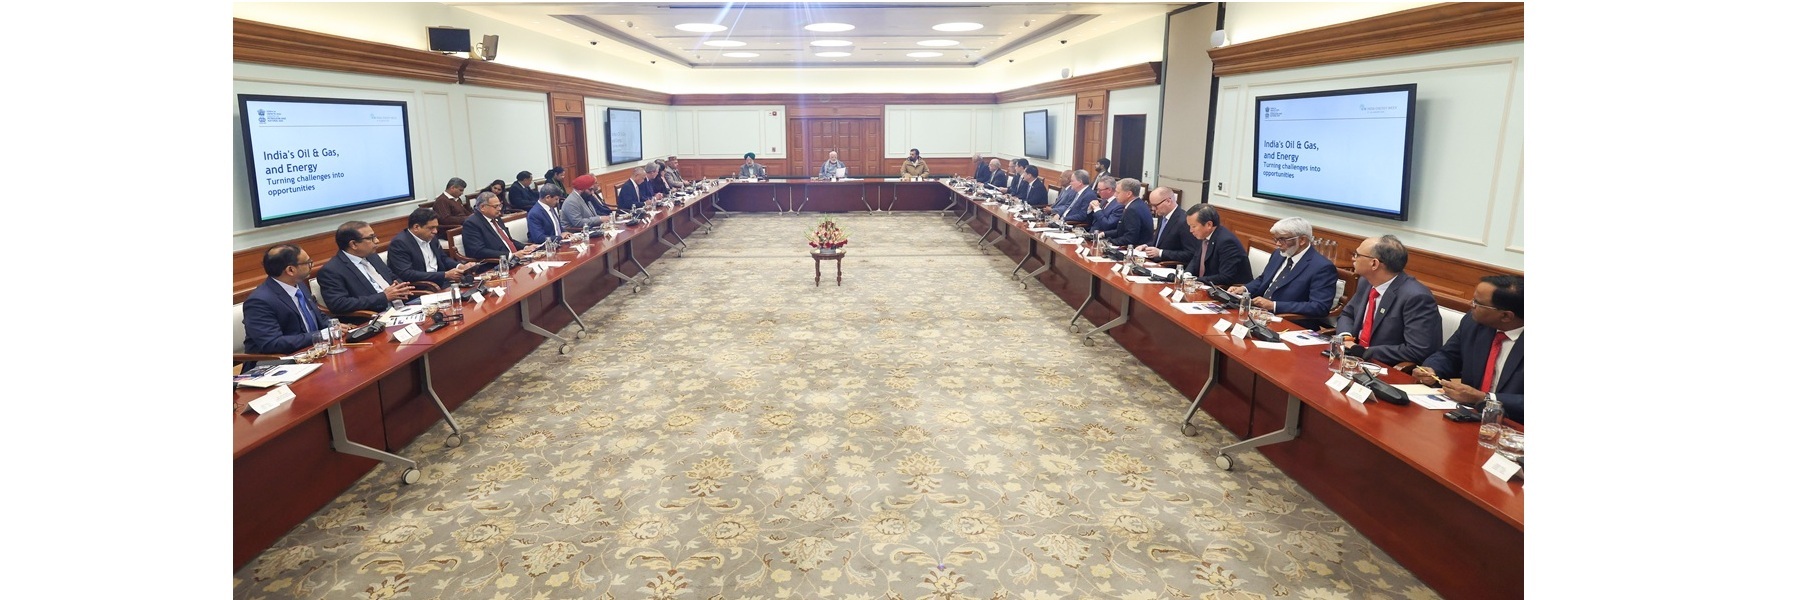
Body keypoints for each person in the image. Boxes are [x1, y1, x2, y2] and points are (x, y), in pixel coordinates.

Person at [1414, 275, 1524, 422]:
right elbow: (1448, 355)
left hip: (1514, 425)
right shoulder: (1473, 323)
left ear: (1506, 316)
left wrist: (1485, 398)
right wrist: (1431, 369)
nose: (1470, 304)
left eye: (1477, 303)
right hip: (1466, 414)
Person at [1335, 235, 1443, 366]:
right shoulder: (1366, 282)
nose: (1353, 258)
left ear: (1374, 263)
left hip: (1385, 366)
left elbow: (1417, 350)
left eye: (1357, 255)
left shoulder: (1417, 297)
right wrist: (1346, 338)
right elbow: (1348, 314)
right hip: (1352, 359)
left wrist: (1365, 352)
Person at [1228, 217, 1337, 327]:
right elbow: (1263, 279)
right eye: (1276, 239)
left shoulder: (1322, 267)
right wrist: (1244, 289)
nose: (1278, 244)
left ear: (1302, 240)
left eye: (1283, 239)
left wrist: (1274, 305)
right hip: (1258, 315)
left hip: (1289, 322)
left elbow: (1319, 307)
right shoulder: (1279, 254)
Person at [243, 244, 350, 355]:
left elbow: (317, 315)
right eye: (308, 262)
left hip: (315, 350)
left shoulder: (298, 284)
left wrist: (333, 327)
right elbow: (272, 343)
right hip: (279, 361)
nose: (311, 265)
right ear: (290, 270)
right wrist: (322, 334)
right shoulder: (259, 301)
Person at [317, 221, 416, 315]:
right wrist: (383, 297)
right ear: (353, 244)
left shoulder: (372, 256)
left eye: (375, 236)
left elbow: (391, 276)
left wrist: (400, 287)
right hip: (373, 317)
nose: (377, 241)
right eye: (370, 238)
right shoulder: (331, 270)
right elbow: (339, 304)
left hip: (401, 307)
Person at [389, 208, 475, 286]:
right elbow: (407, 274)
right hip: (424, 287)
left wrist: (460, 266)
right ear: (416, 227)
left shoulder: (431, 237)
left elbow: (443, 258)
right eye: (431, 228)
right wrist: (444, 275)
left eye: (436, 227)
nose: (435, 231)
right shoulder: (400, 243)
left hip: (442, 283)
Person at [1181, 205, 1252, 286]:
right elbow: (1195, 258)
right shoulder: (1203, 235)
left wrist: (1195, 280)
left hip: (1228, 290)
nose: (1191, 230)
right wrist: (1187, 274)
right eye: (1189, 226)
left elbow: (1225, 277)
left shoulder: (1227, 242)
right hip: (1205, 285)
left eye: (1193, 226)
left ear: (1209, 225)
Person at [462, 192, 539, 259]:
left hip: (514, 259)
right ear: (482, 207)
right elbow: (478, 251)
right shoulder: (472, 223)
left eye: (500, 205)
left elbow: (508, 241)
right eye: (495, 206)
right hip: (494, 264)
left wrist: (526, 247)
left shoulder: (496, 218)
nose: (499, 209)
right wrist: (510, 255)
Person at [1136, 187, 1192, 264]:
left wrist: (1161, 253)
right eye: (1151, 205)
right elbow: (1160, 242)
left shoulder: (1184, 221)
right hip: (1153, 262)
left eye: (1155, 205)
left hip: (1168, 266)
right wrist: (1145, 246)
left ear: (1168, 201)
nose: (1153, 209)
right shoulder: (1162, 215)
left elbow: (1190, 254)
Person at [1098, 178, 1152, 246]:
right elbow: (1123, 230)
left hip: (1136, 250)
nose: (1115, 195)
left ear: (1128, 194)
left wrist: (1108, 242)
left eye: (1118, 192)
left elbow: (1130, 238)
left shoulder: (1132, 210)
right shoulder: (1138, 204)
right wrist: (1105, 234)